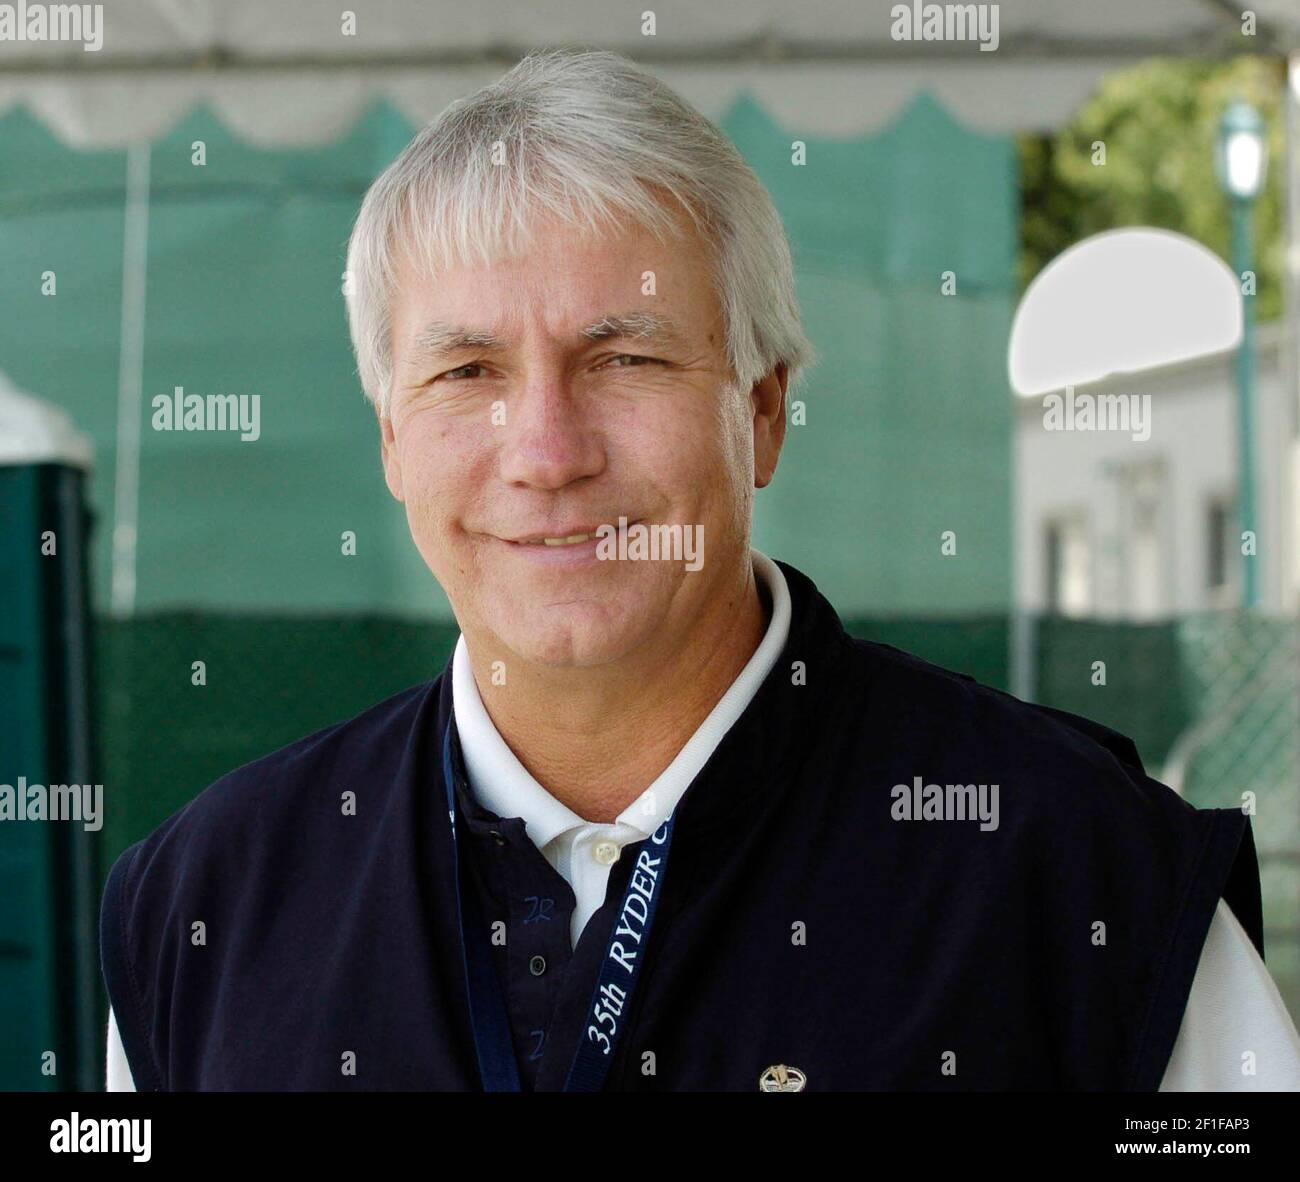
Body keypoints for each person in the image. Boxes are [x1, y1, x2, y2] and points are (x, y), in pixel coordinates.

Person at [102, 47, 1300, 1092]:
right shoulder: (205, 907)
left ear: (764, 409)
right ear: (391, 443)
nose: (547, 454)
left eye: (623, 357)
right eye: (466, 373)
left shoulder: (1084, 881)